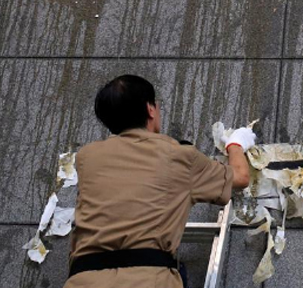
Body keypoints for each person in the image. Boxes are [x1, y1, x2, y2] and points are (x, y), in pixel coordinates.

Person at [63, 74, 254, 288]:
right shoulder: (178, 154)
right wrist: (236, 144)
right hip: (147, 280)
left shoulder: (87, 158)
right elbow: (240, 177)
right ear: (151, 109)